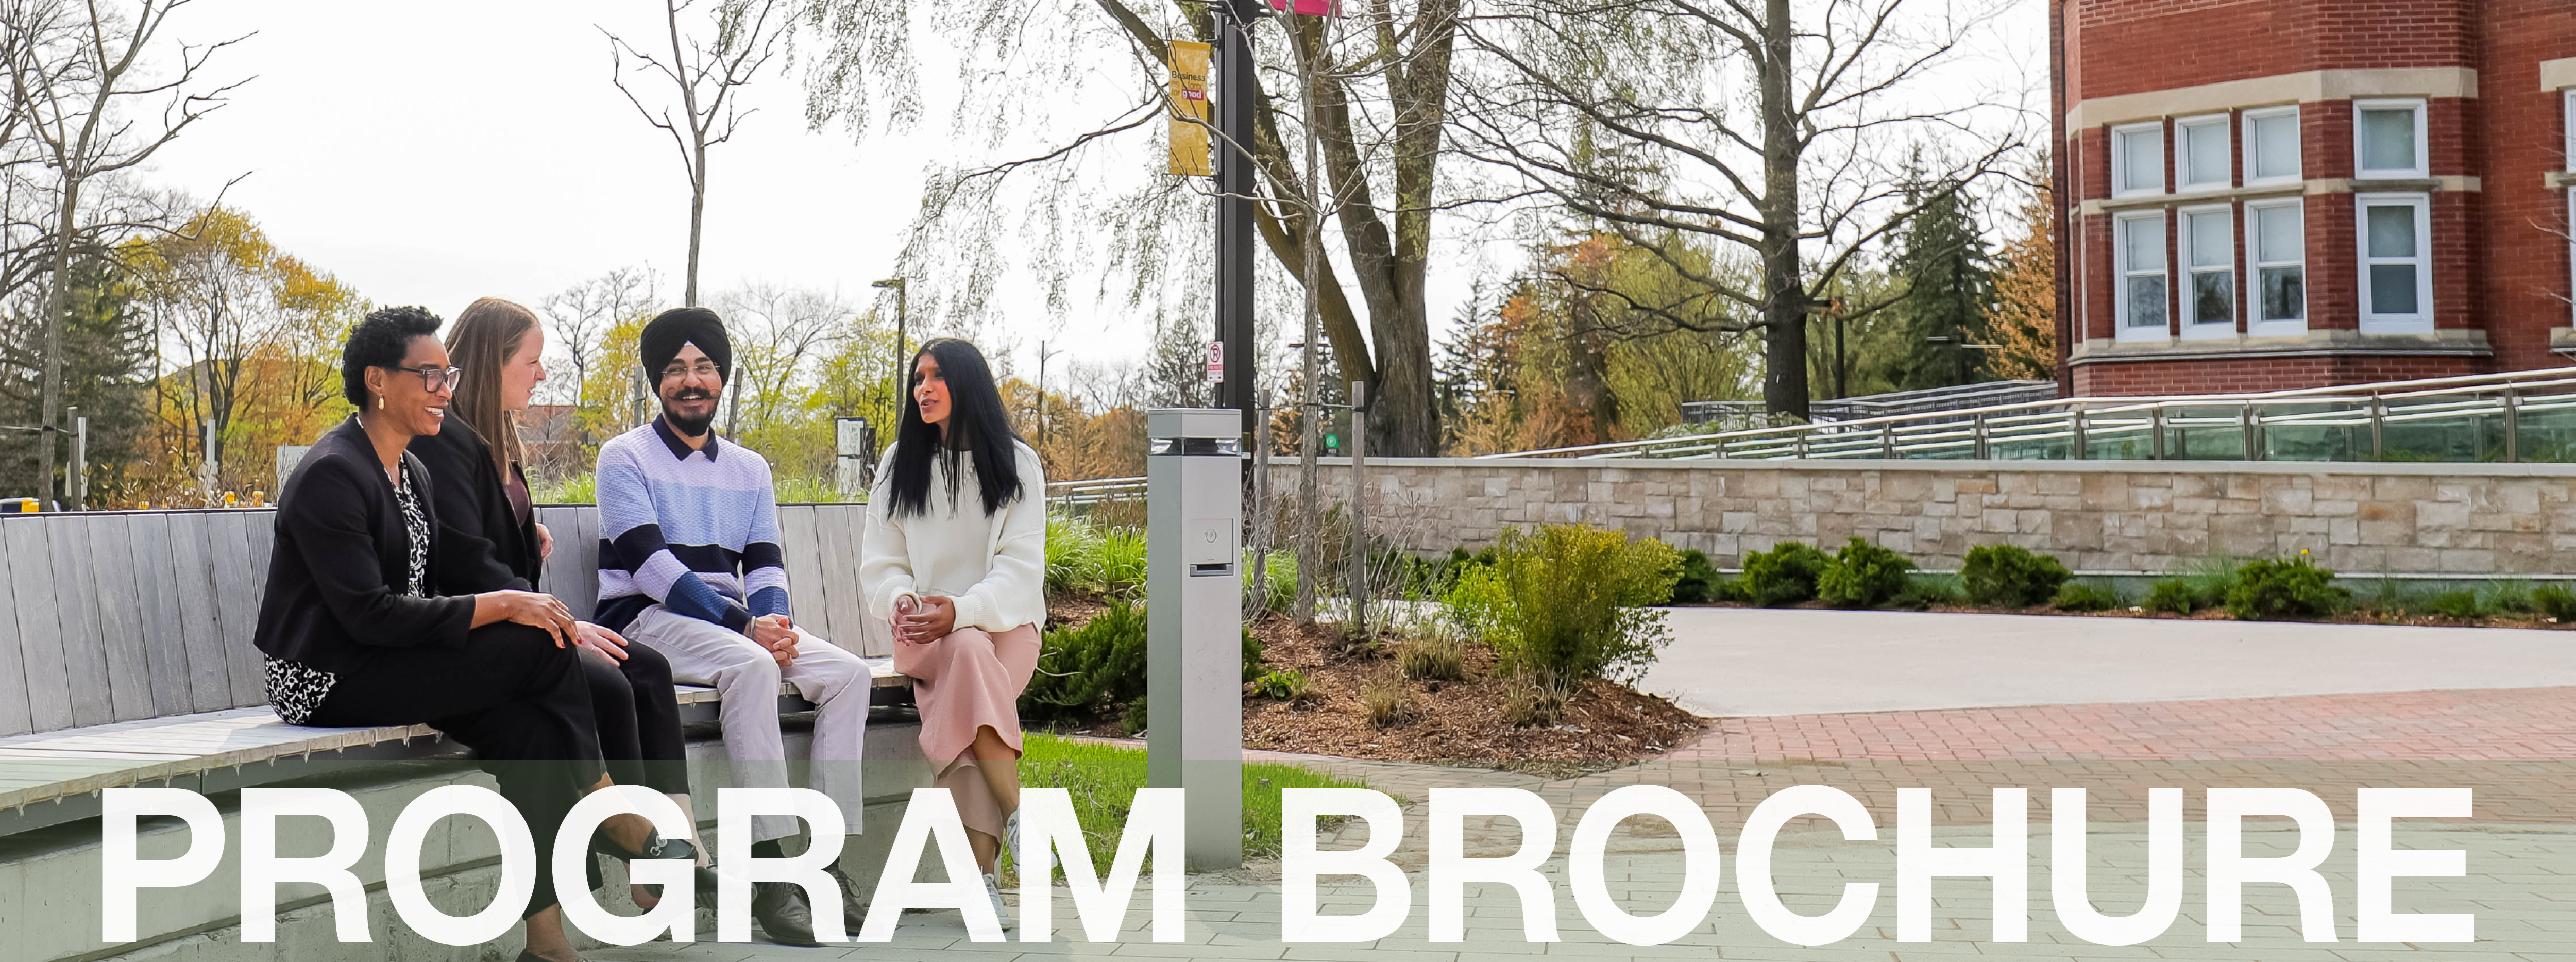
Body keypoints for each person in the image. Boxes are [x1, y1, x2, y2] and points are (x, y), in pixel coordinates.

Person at [257, 305, 693, 962]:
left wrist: (521, 567)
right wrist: (504, 607)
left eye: (448, 374)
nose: (444, 389)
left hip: (388, 655)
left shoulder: (412, 469)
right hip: (326, 675)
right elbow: (368, 615)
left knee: (534, 733)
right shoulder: (332, 475)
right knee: (533, 641)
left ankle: (545, 943)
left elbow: (436, 577)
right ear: (378, 380)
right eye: (428, 375)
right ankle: (612, 810)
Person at [410, 296, 713, 913]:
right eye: (532, 361)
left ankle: (676, 839)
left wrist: (531, 538)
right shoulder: (447, 446)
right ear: (494, 363)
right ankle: (632, 839)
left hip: (518, 618)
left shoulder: (500, 441)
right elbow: (465, 563)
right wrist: (567, 625)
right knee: (607, 683)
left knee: (645, 667)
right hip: (481, 636)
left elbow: (495, 547)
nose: (541, 374)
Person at [592, 306, 874, 944]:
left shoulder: (749, 468)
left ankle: (823, 867)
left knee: (849, 675)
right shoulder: (624, 456)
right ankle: (772, 876)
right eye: (676, 370)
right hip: (646, 619)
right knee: (749, 667)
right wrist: (748, 629)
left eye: (705, 368)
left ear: (722, 378)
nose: (692, 382)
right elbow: (649, 565)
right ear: (656, 382)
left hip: (734, 625)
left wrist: (773, 621)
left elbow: (766, 559)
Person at [858, 337, 1047, 927]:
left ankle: (983, 879)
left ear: (968, 385)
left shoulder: (1017, 464)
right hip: (923, 632)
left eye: (937, 377)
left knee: (964, 684)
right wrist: (904, 600)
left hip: (1006, 628)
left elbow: (1019, 571)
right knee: (962, 658)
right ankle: (1019, 817)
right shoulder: (899, 463)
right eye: (918, 378)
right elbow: (881, 562)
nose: (924, 388)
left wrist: (961, 612)